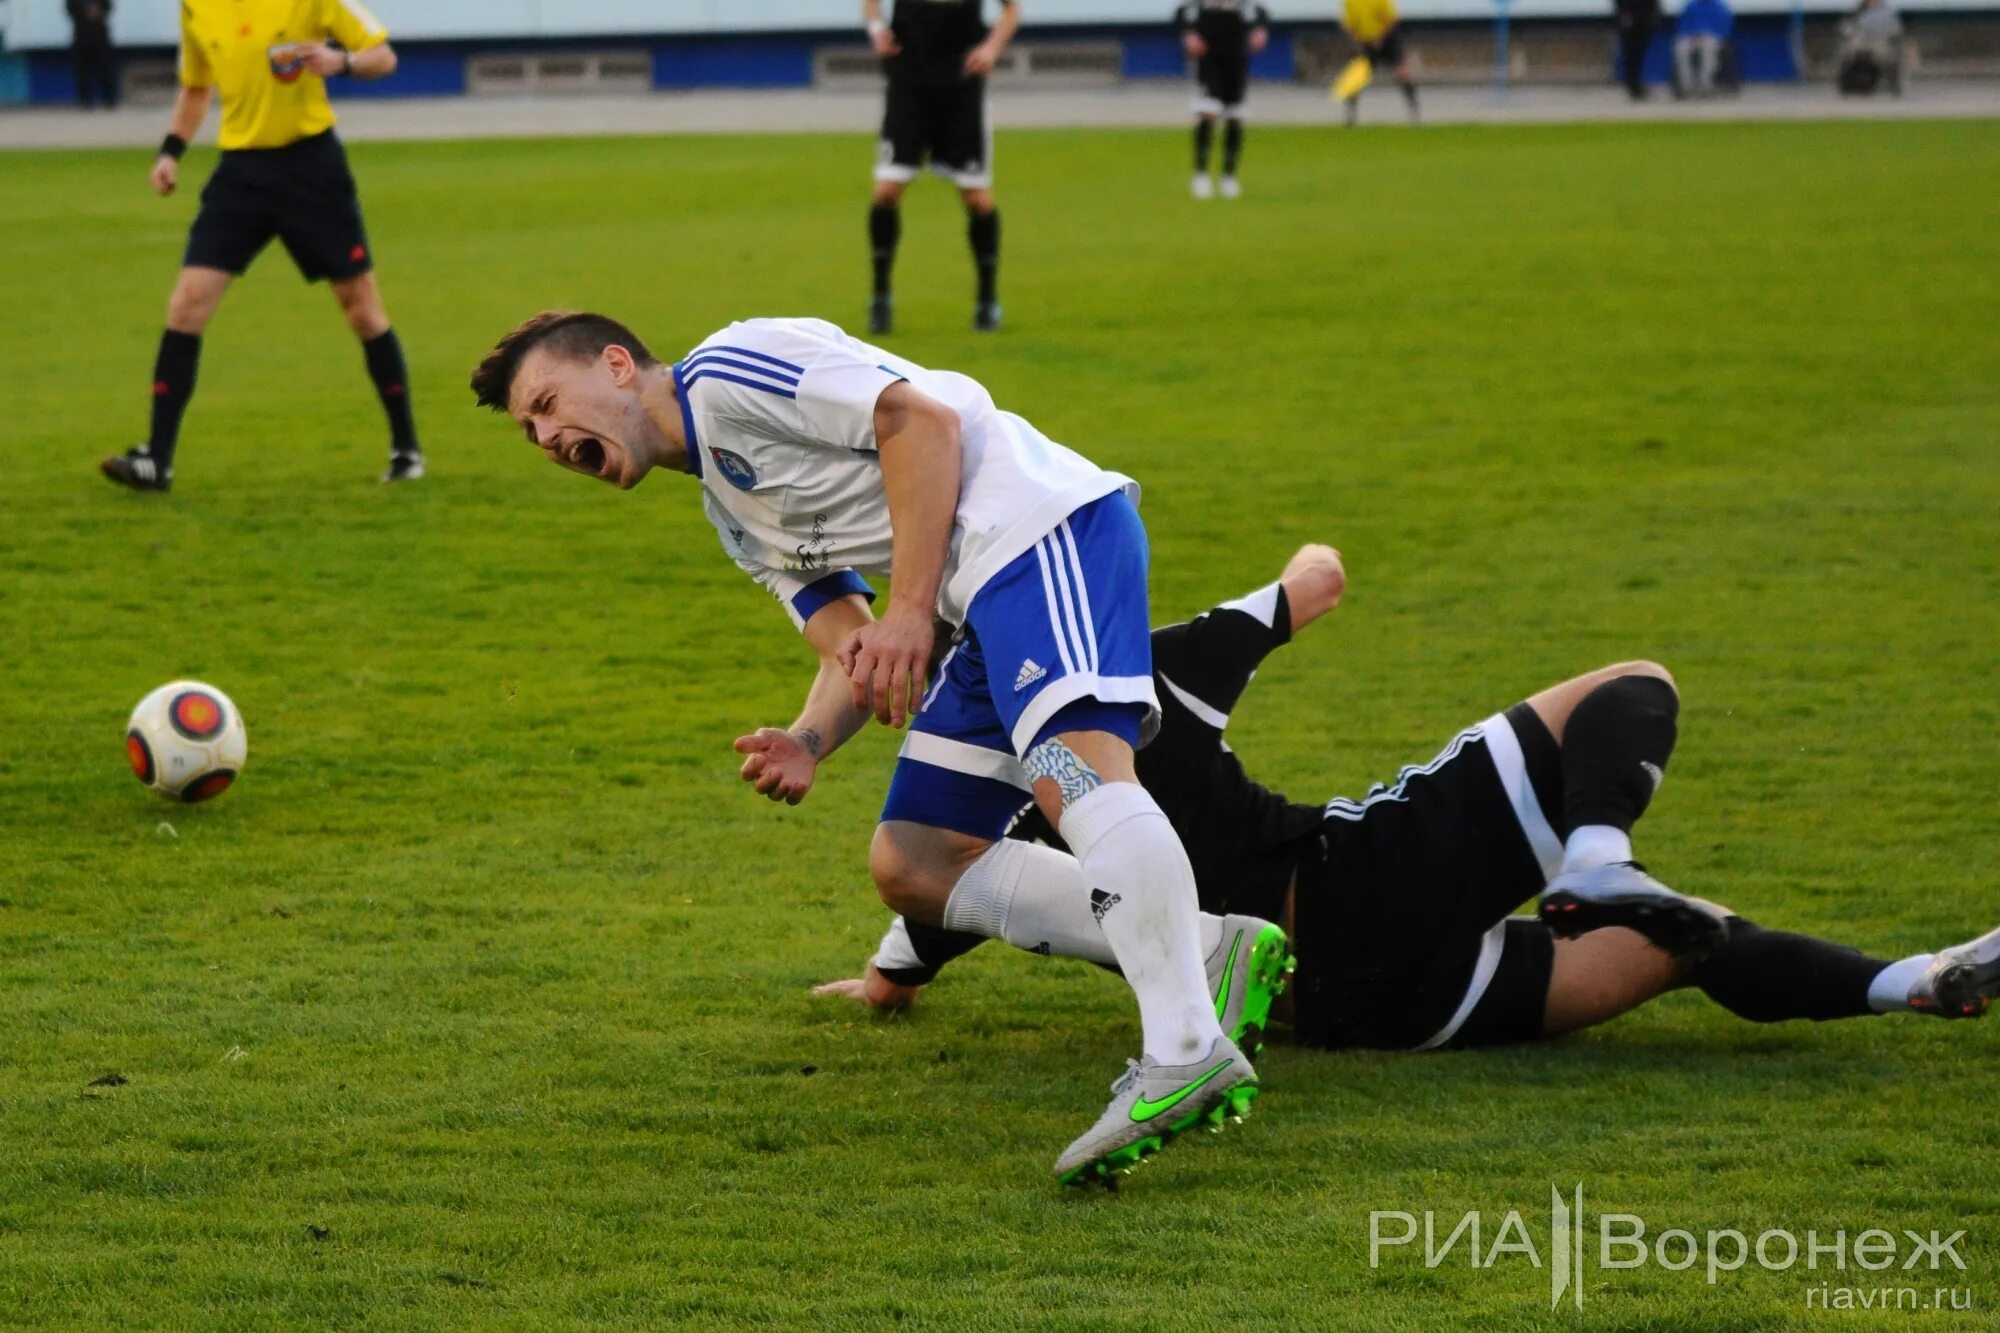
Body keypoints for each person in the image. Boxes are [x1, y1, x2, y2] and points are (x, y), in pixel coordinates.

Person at [469, 311, 1261, 1186]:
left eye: (546, 402)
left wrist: (913, 609)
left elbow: (918, 420)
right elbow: (857, 647)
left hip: (1040, 537)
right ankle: (1204, 949)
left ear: (617, 365)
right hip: (976, 600)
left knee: (1071, 775)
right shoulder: (732, 515)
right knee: (916, 857)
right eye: (529, 431)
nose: (544, 436)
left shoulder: (731, 368)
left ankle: (1185, 1044)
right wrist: (808, 737)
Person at [820, 544, 2000, 1052]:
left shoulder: (973, 803)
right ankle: (1595, 855)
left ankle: (1917, 983)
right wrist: (1283, 580)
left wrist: (883, 983)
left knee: (1674, 946)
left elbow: (947, 895)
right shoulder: (1141, 668)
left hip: (1349, 1014)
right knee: (1632, 689)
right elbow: (1318, 579)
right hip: (1356, 886)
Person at [101, 0, 423, 494]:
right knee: (186, 305)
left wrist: (343, 62)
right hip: (241, 176)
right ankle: (156, 461)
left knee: (361, 310)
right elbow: (195, 86)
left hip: (311, 169)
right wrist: (170, 151)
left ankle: (406, 450)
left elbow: (384, 56)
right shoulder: (196, 8)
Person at [862, 0, 1020, 335]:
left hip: (960, 88)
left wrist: (991, 49)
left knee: (977, 199)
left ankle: (987, 300)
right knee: (886, 192)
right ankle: (880, 298)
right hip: (909, 85)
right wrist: (877, 28)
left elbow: (1011, 10)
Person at [1175, 1, 1270, 200]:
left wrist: (1260, 28)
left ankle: (1229, 175)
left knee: (1235, 114)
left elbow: (1259, 8)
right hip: (1207, 48)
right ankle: (1201, 174)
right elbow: (1182, 10)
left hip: (1235, 47)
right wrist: (1189, 34)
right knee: (1208, 110)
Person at [1340, 0, 1419, 126]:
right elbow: (1350, 25)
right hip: (1367, 42)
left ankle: (1414, 111)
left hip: (1387, 40)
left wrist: (1380, 39)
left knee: (1402, 73)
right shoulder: (1350, 2)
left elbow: (1391, 21)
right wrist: (1360, 41)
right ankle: (1351, 117)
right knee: (1355, 78)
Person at [1837, 0, 1906, 96]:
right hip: (1861, 40)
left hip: (1879, 40)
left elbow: (1895, 30)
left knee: (1887, 55)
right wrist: (1851, 32)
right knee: (1846, 52)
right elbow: (1845, 27)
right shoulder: (1858, 9)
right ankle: (1846, 86)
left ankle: (1894, 86)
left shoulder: (1886, 10)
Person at [1673, 0, 1733, 98]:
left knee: (1708, 48)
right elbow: (1682, 25)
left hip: (1711, 37)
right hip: (1691, 37)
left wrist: (1706, 35)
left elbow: (1724, 28)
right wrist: (1692, 36)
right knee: (1681, 48)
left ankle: (1705, 85)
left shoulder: (1720, 7)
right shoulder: (1691, 6)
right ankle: (1687, 86)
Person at [67, 0, 118, 110]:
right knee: (82, 72)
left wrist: (99, 11)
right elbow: (70, 8)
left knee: (106, 70)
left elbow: (108, 6)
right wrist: (85, 12)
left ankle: (109, 100)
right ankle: (86, 101)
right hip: (81, 37)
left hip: (100, 37)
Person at [1615, 0, 1662, 100]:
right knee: (1630, 55)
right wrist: (1623, 14)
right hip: (1630, 22)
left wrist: (1654, 17)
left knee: (1639, 55)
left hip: (1645, 21)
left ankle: (1637, 86)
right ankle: (1632, 86)